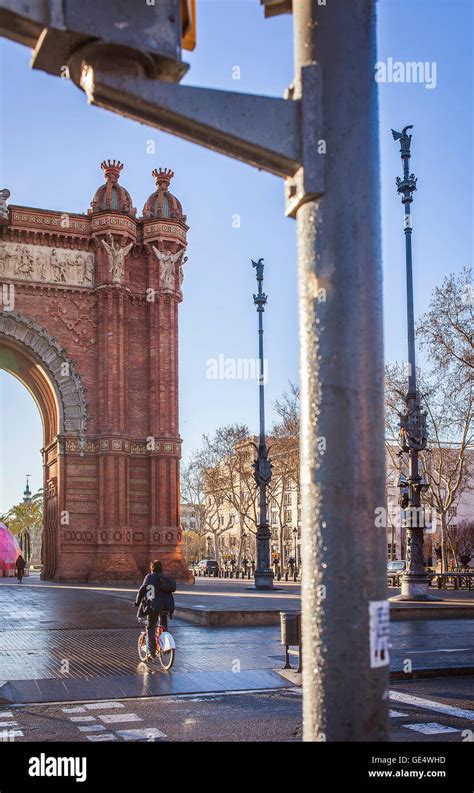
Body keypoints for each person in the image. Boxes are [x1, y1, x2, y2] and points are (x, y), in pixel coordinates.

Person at [134, 560, 176, 660]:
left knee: (150, 626)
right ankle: (165, 647)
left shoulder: (150, 577)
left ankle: (151, 652)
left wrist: (137, 602)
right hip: (167, 605)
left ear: (152, 568)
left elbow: (142, 590)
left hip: (154, 606)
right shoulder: (166, 577)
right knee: (163, 625)